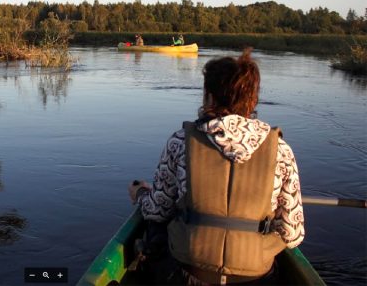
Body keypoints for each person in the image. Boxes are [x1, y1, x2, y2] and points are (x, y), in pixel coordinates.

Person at [129, 48, 304, 285]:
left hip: (186, 273)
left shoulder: (180, 142)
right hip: (256, 278)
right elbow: (292, 234)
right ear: (252, 100)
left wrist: (140, 193)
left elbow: (157, 210)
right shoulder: (282, 151)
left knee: (157, 229)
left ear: (209, 97)